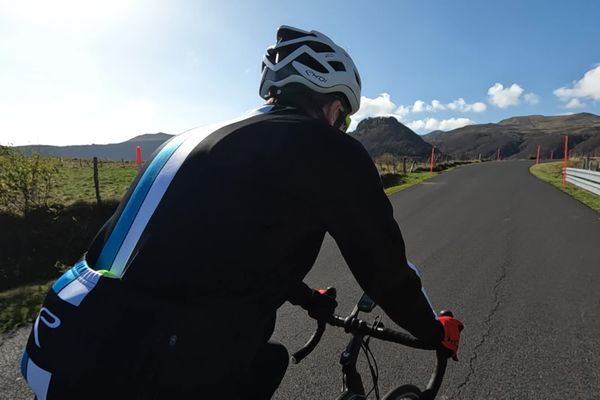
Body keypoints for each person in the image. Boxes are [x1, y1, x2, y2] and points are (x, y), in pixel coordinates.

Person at [21, 25, 462, 399]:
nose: (340, 125)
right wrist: (431, 330)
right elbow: (384, 268)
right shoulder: (327, 148)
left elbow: (220, 244)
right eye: (343, 115)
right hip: (144, 364)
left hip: (68, 334)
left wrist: (306, 296)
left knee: (265, 360)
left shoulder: (193, 139)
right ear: (331, 103)